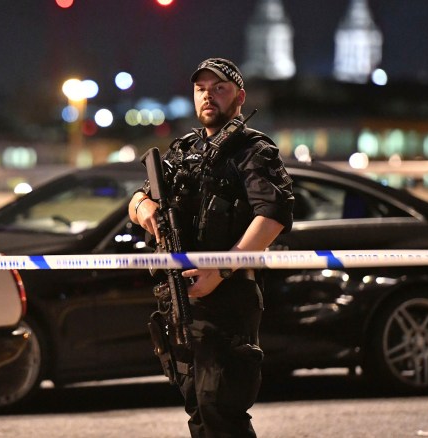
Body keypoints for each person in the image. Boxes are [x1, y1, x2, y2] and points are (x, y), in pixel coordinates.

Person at [128, 58, 294, 437]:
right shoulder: (184, 149)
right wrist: (143, 208)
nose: (208, 96)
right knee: (199, 409)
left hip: (228, 297)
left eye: (219, 88)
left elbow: (273, 215)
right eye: (201, 89)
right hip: (180, 296)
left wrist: (220, 270)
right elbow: (138, 197)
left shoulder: (253, 149)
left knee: (220, 407)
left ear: (240, 97)